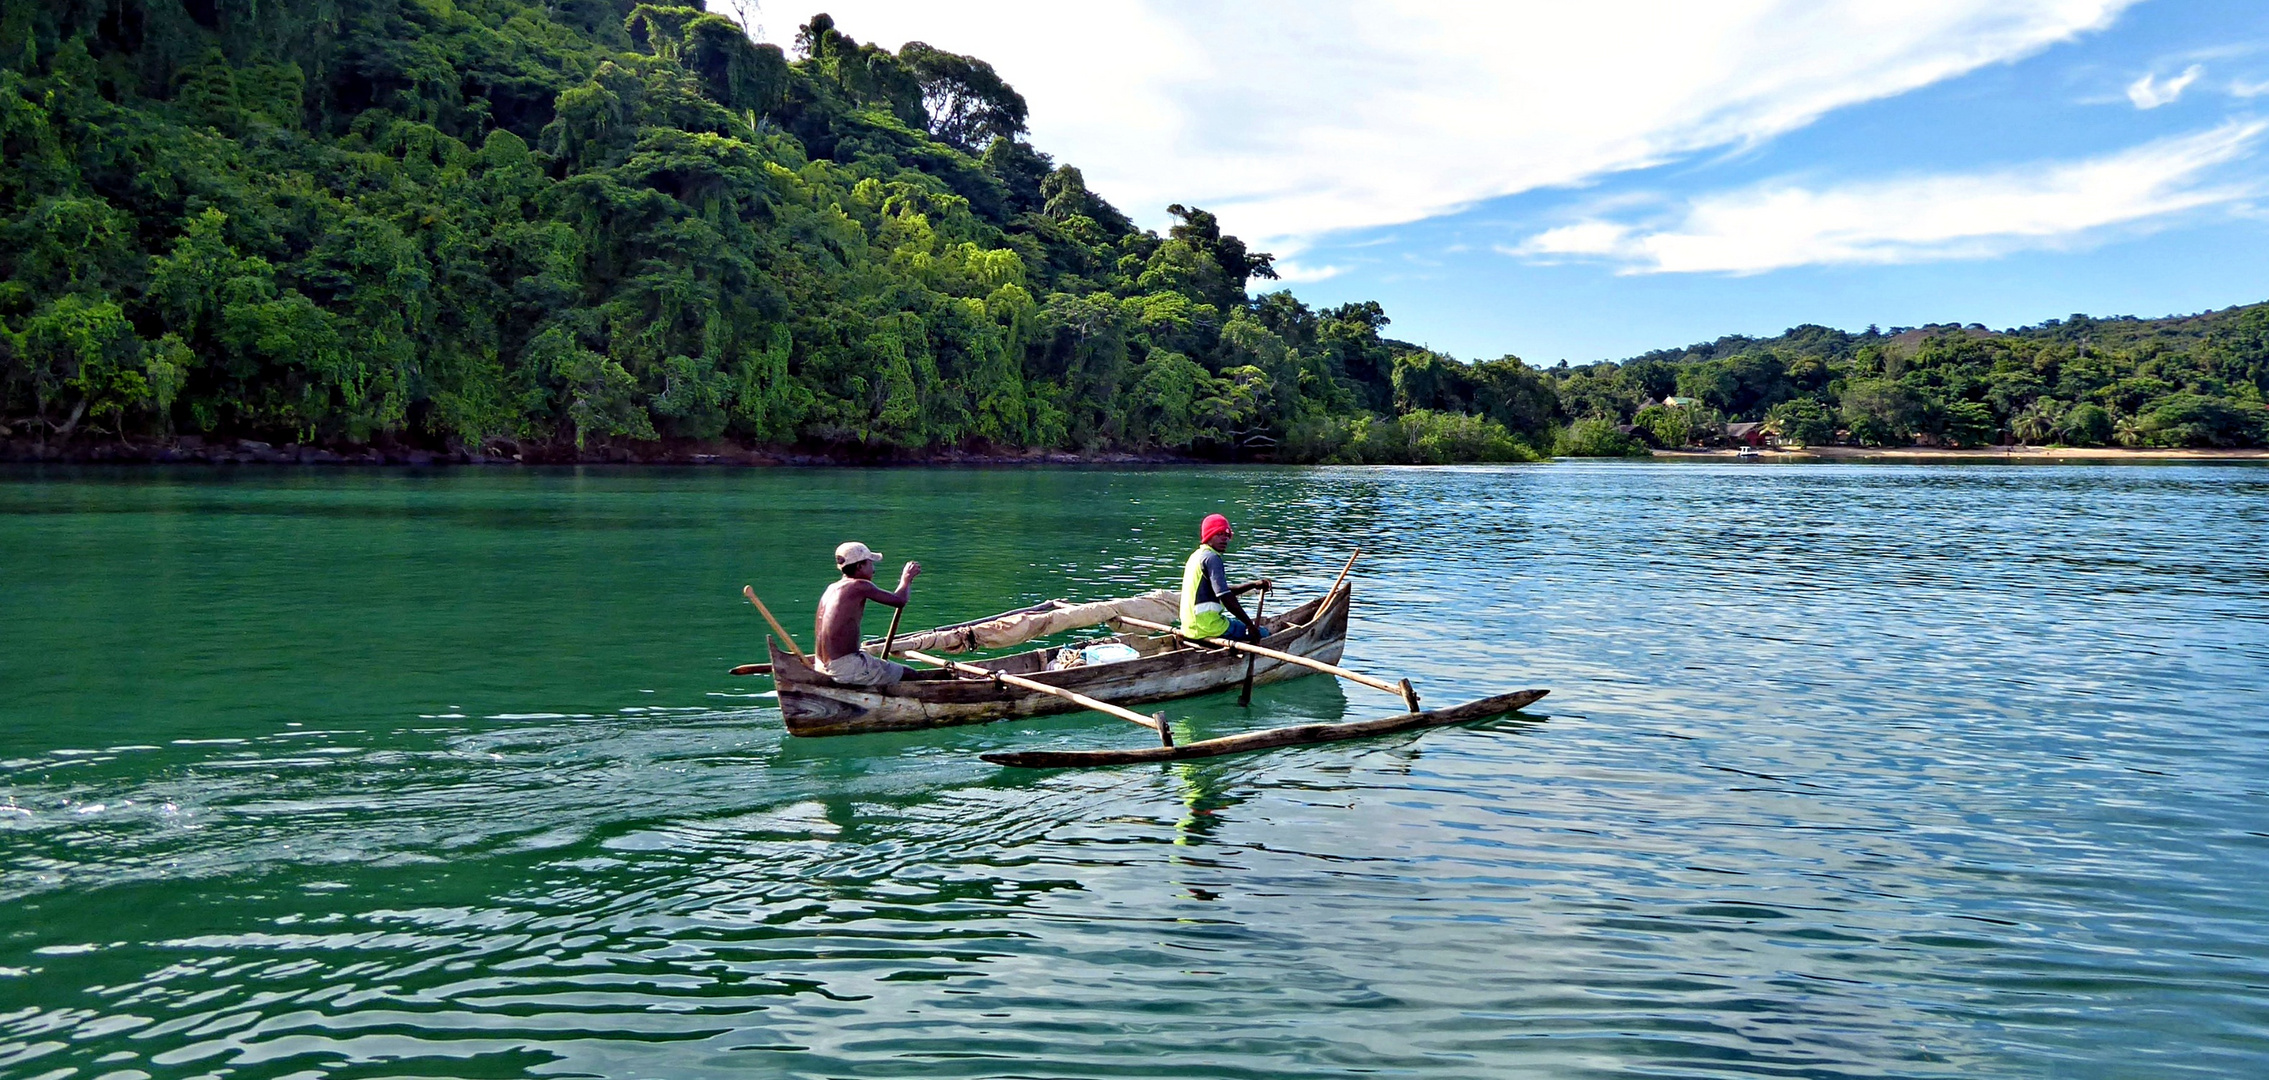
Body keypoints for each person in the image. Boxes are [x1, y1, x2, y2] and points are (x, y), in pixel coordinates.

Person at [813, 541, 920, 686]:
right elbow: (900, 600)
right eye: (870, 564)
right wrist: (906, 578)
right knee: (911, 675)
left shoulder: (831, 588)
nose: (873, 570)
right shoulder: (859, 585)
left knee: (879, 665)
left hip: (820, 665)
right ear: (859, 566)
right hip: (843, 668)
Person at [1180, 513, 1272, 642]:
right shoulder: (1212, 558)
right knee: (1264, 633)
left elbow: (1223, 590)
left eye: (1226, 535)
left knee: (1236, 624)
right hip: (1209, 627)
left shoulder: (1196, 556)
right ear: (1208, 536)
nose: (1224, 539)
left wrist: (1252, 585)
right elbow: (1225, 597)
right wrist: (1249, 625)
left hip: (1190, 628)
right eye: (1219, 534)